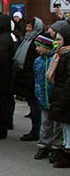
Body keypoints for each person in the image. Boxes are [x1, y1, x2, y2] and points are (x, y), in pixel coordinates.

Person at [12, 17, 44, 141]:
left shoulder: (38, 40)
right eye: (27, 26)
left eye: (30, 27)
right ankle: (35, 130)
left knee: (35, 105)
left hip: (32, 78)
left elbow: (33, 61)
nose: (27, 29)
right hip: (26, 77)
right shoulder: (27, 39)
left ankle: (36, 131)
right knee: (32, 105)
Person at [32, 33, 61, 161]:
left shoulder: (56, 59)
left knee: (56, 124)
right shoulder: (38, 61)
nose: (37, 49)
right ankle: (44, 144)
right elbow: (37, 79)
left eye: (39, 46)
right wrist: (38, 93)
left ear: (46, 46)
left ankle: (56, 146)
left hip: (54, 96)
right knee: (45, 123)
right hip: (43, 96)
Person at [48, 22, 70, 168]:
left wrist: (63, 99)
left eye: (59, 40)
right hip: (60, 95)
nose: (56, 43)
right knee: (64, 127)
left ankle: (67, 154)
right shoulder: (60, 55)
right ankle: (64, 151)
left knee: (68, 129)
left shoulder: (67, 56)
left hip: (65, 97)